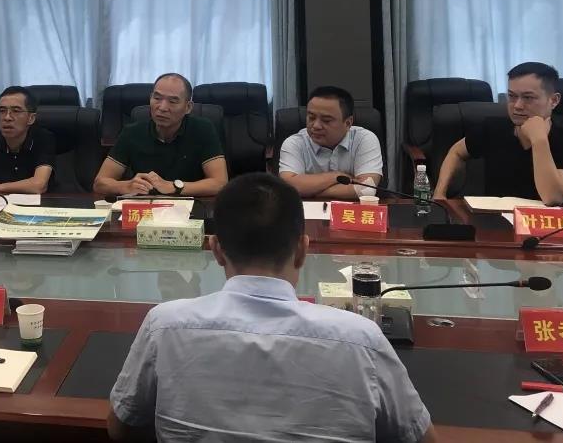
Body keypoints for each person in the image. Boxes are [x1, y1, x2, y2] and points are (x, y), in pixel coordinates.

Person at [108, 173, 435, 443]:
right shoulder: (361, 339)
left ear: (216, 249)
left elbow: (121, 427)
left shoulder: (164, 325)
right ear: (302, 250)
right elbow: (419, 437)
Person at [434, 62, 563, 206]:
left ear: (554, 100)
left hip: (546, 222)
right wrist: (439, 194)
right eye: (512, 96)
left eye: (528, 97)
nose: (517, 106)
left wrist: (539, 140)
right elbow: (456, 152)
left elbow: (553, 198)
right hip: (494, 219)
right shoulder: (493, 128)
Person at [94, 73, 227, 198]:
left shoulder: (203, 129)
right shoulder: (132, 132)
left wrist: (174, 187)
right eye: (157, 98)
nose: (162, 107)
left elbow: (220, 183)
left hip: (192, 206)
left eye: (173, 101)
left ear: (188, 107)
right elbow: (100, 183)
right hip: (145, 207)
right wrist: (126, 186)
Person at [278, 86, 383, 201]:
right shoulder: (294, 143)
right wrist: (336, 176)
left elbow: (366, 189)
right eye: (311, 118)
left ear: (348, 123)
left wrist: (308, 191)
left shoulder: (364, 139)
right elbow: (288, 187)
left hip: (352, 210)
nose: (316, 126)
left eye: (326, 120)